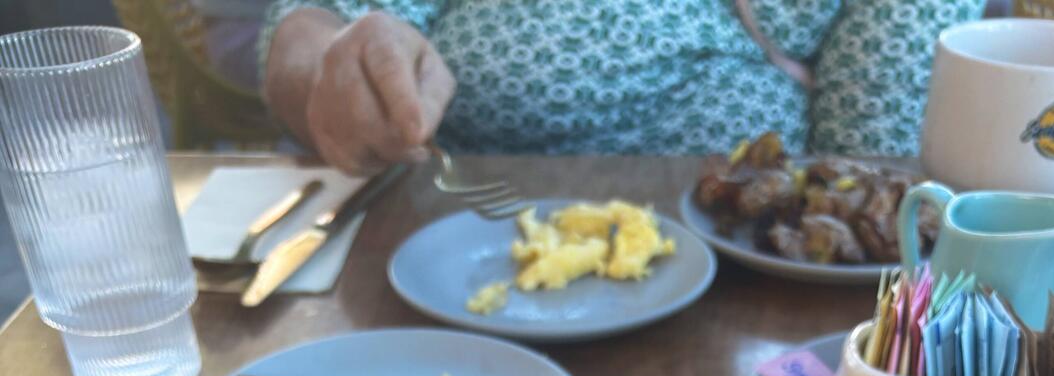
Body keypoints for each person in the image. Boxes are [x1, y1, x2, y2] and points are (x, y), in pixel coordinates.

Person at [261, 1, 984, 174]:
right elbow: (306, 33)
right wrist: (333, 64)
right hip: (438, 249)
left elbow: (872, 179)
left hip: (751, 295)